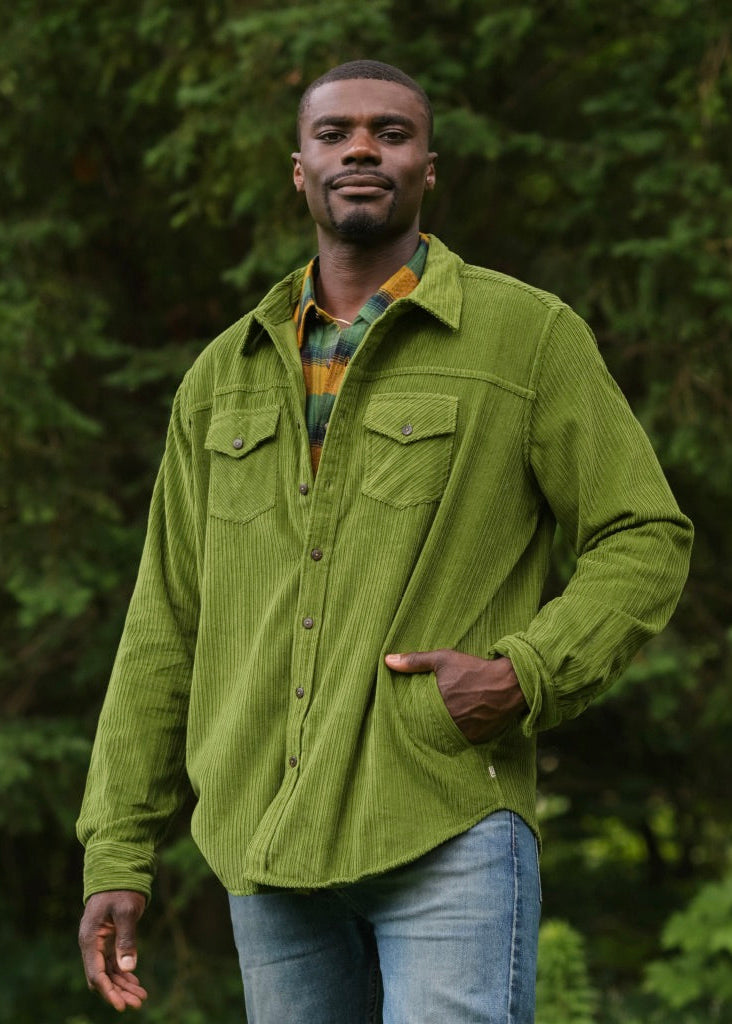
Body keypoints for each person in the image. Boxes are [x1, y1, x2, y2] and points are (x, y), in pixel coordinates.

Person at [77, 60, 693, 1023]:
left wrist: (525, 671)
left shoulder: (525, 338)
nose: (362, 148)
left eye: (391, 133)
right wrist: (117, 847)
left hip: (445, 824)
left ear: (428, 168)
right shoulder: (221, 377)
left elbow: (645, 534)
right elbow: (166, 618)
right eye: (335, 134)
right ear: (299, 169)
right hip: (264, 842)